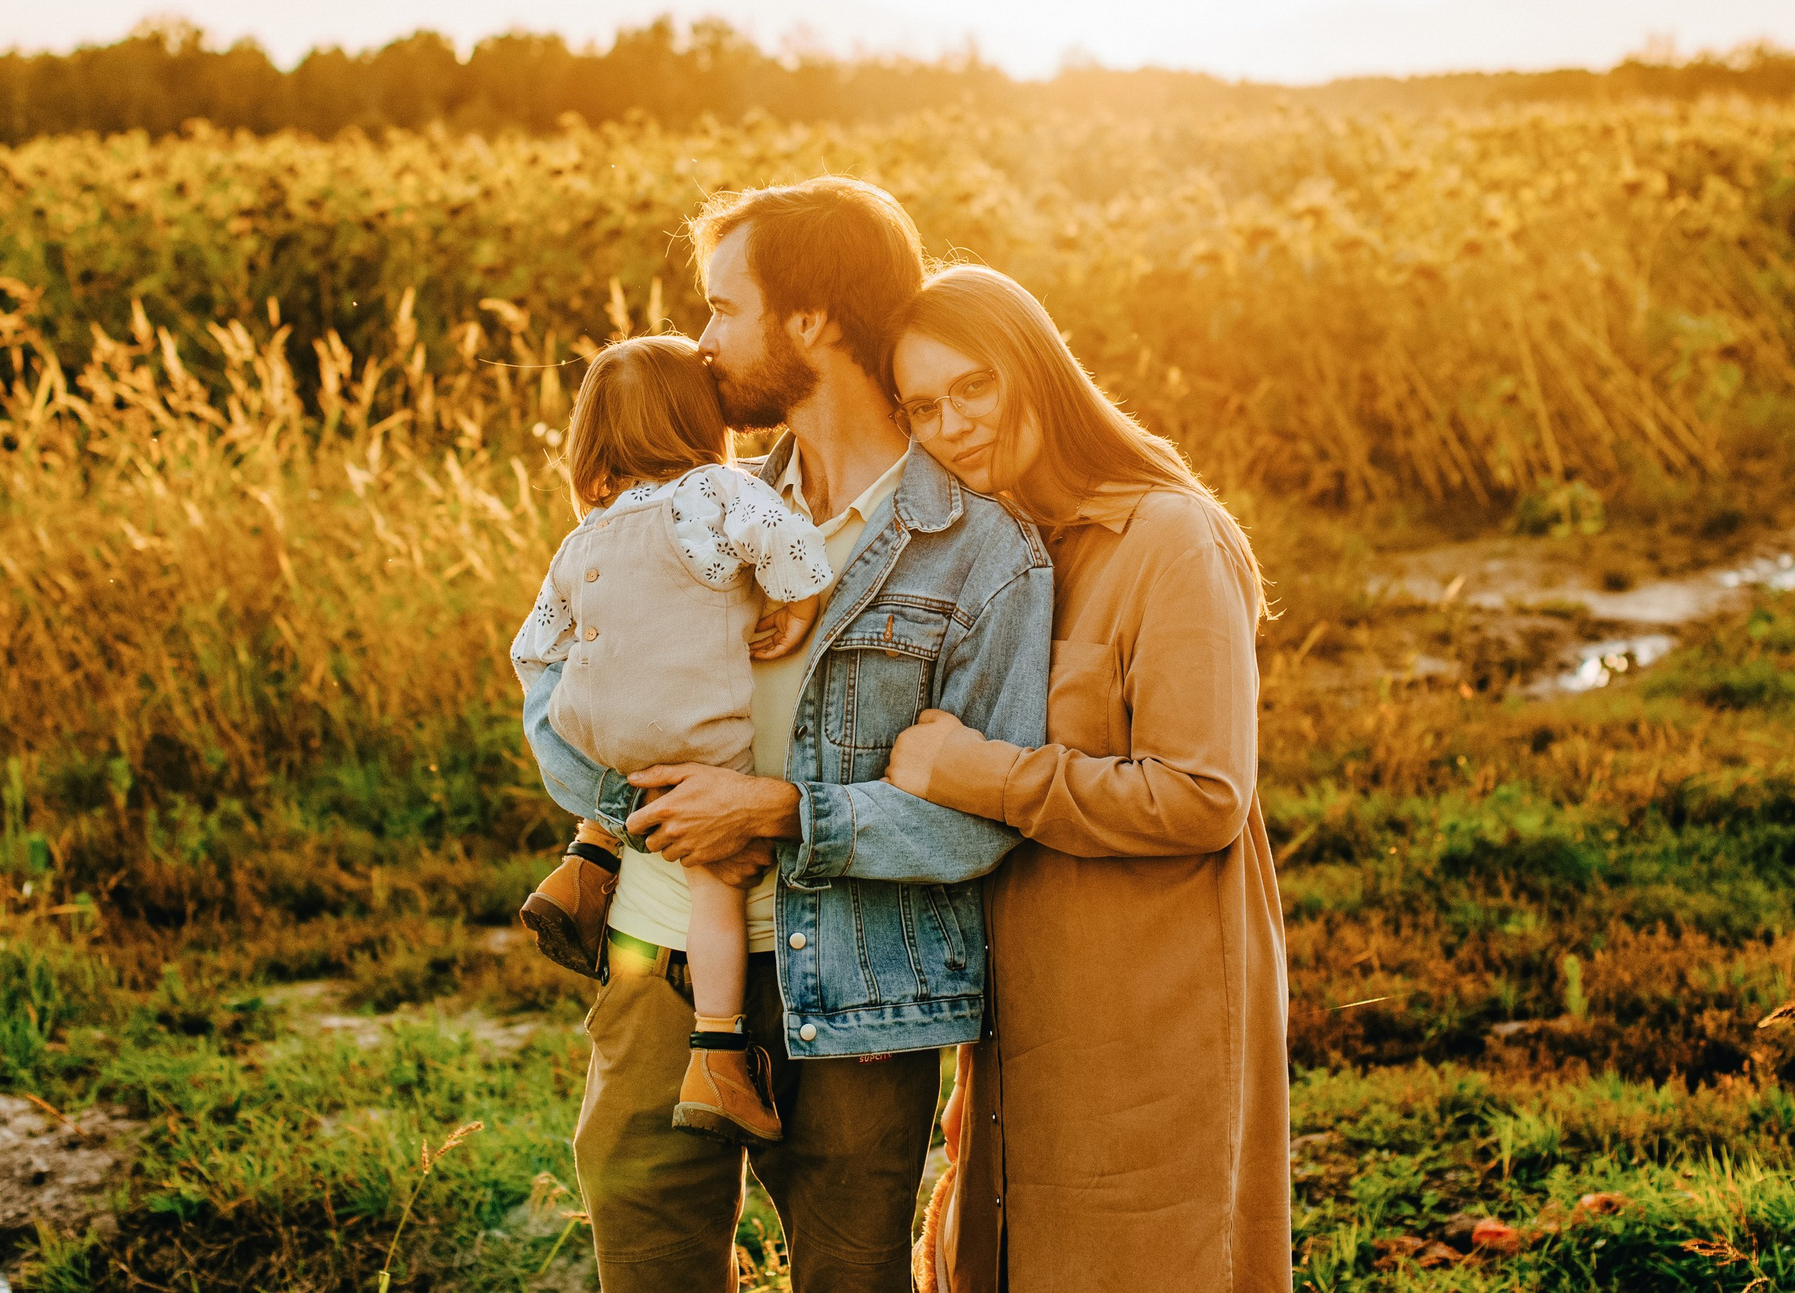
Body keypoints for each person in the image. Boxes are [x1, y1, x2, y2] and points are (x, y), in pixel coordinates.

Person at [518, 177, 1056, 1293]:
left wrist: (776, 812)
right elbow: (556, 696)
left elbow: (982, 820)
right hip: (655, 963)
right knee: (648, 1269)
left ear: (808, 320)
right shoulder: (675, 507)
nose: (702, 343)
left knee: (851, 1277)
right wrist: (637, 803)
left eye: (724, 307)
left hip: (863, 996)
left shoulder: (985, 554)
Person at [884, 265, 1292, 1293]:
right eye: (922, 406)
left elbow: (1203, 795)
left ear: (1037, 369)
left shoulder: (1168, 536)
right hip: (1020, 1012)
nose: (951, 426)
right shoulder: (999, 553)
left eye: (972, 386)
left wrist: (979, 772)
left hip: (1150, 1007)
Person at [511, 333, 837, 1144]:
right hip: (697, 732)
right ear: (703, 419)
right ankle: (718, 1052)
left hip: (597, 728)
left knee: (629, 746)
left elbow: (535, 649)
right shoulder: (716, 491)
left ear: (592, 439)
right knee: (715, 884)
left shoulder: (582, 538)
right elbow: (787, 540)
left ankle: (591, 848)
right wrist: (798, 601)